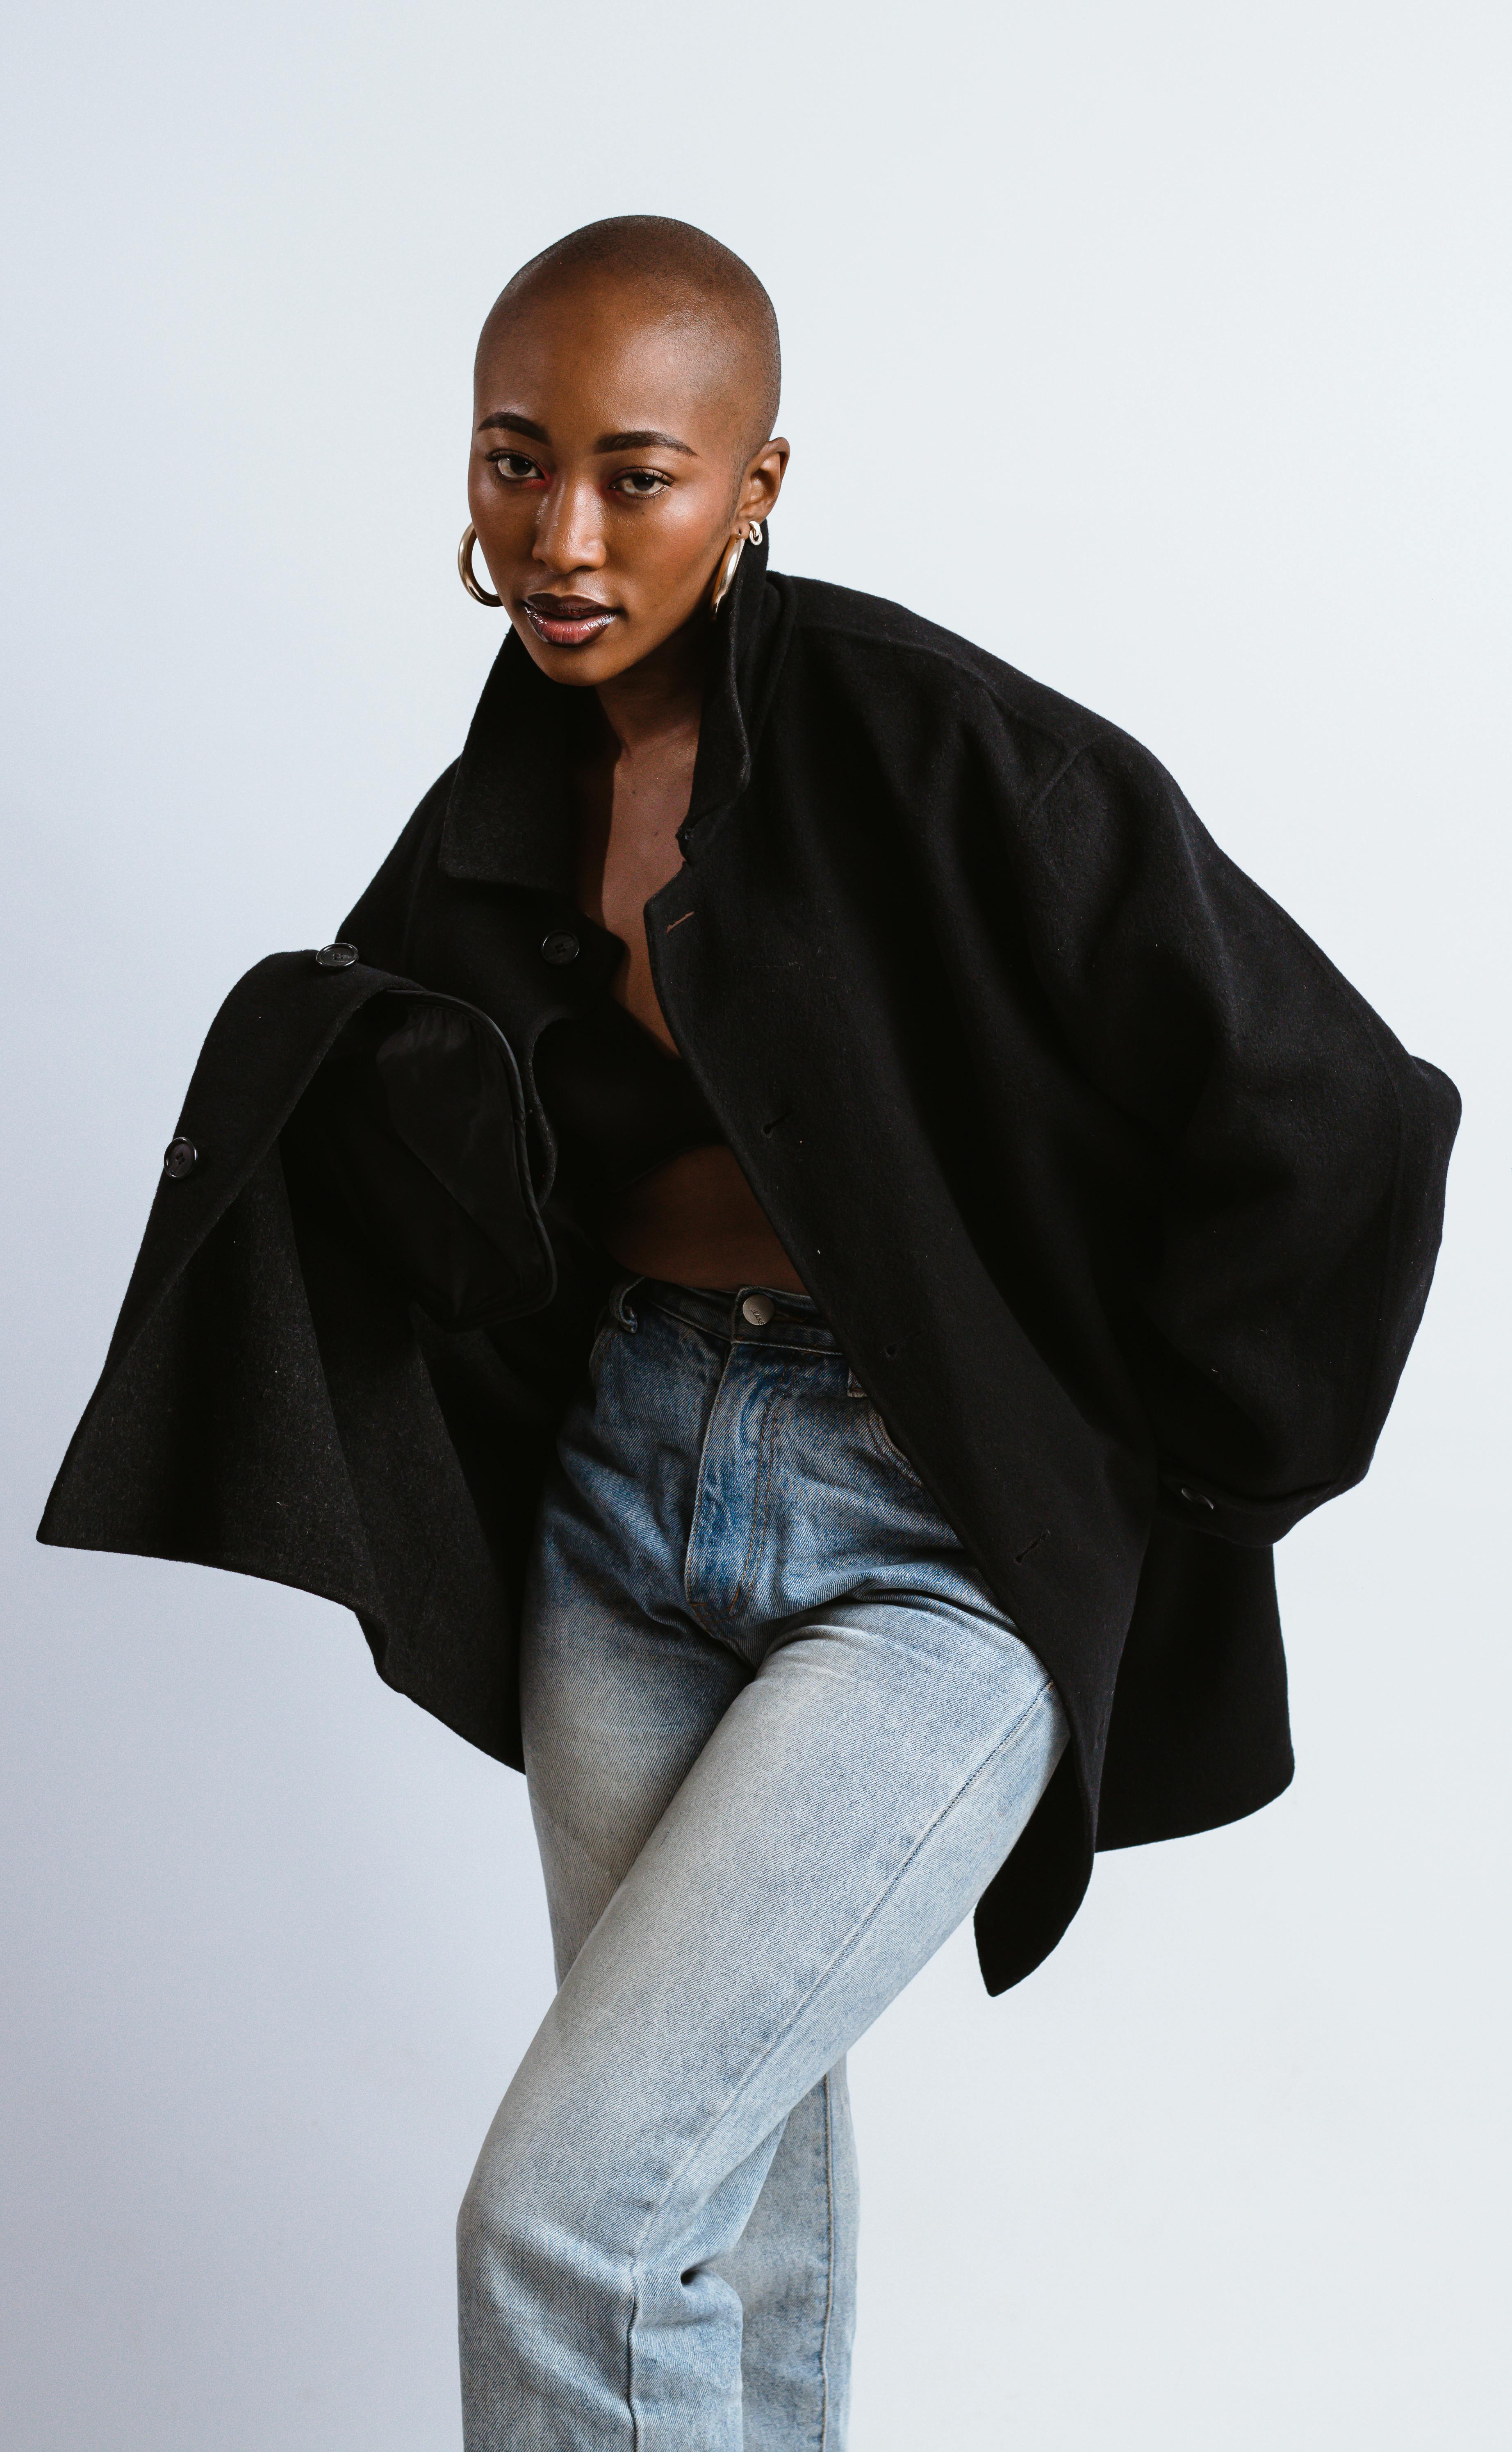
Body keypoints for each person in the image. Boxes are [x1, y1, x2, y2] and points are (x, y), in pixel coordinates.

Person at [39, 217, 1460, 2451]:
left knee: (565, 2214)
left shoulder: (938, 741)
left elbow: (1337, 1112)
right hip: (619, 1526)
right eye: (518, 465)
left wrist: (1168, 1486)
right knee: (702, 2214)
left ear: (758, 480)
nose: (563, 536)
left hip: (922, 1554)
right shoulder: (497, 793)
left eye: (637, 474)